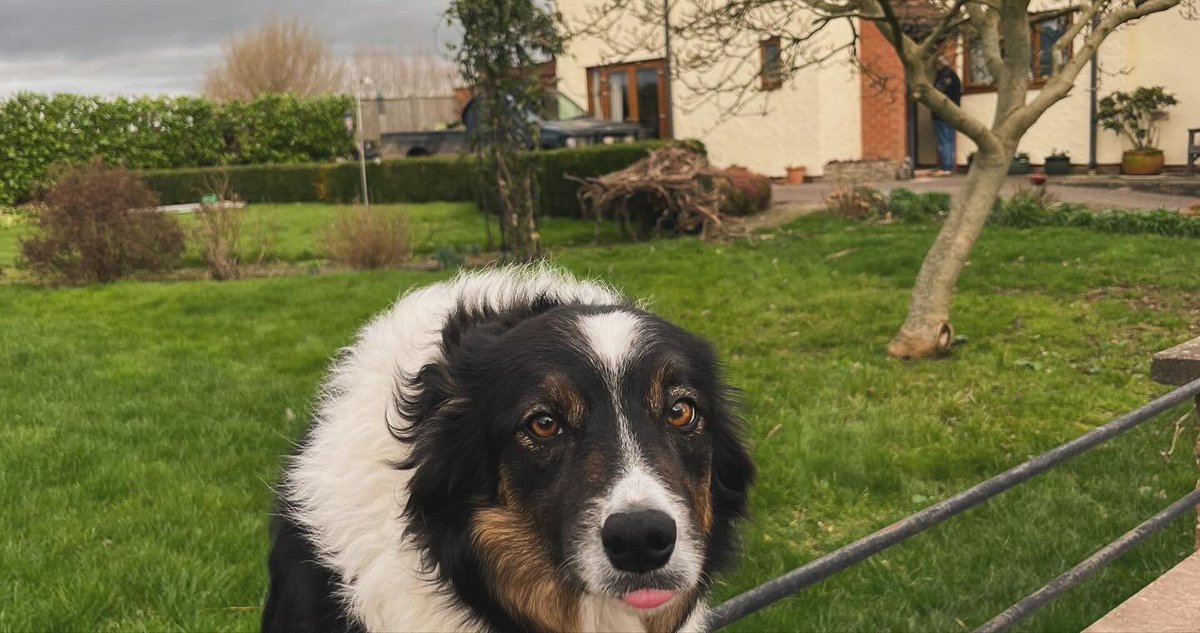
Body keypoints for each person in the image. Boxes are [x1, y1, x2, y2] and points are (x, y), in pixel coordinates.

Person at [932, 59, 961, 176]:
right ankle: (950, 167)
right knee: (950, 140)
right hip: (953, 113)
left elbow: (936, 93)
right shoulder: (954, 76)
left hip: (941, 114)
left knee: (943, 140)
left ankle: (946, 167)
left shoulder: (943, 78)